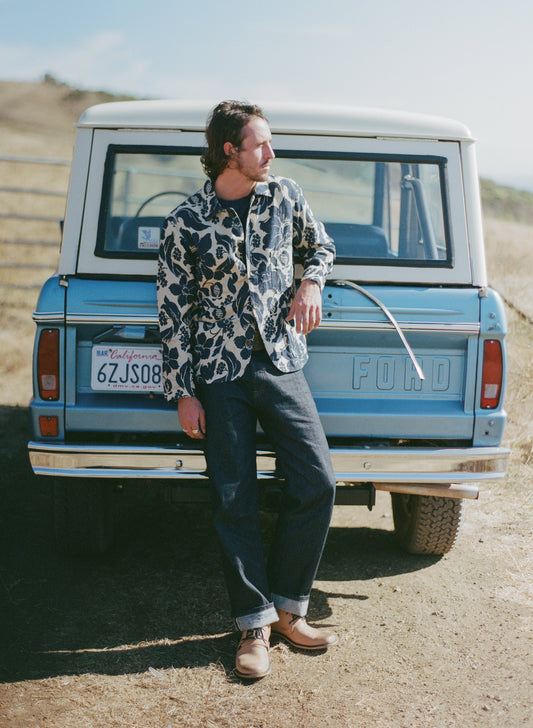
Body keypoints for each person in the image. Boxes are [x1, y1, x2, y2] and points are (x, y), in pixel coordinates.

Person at [157, 101, 337, 679]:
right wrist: (183, 390)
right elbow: (173, 311)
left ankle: (290, 609)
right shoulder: (186, 220)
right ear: (228, 149)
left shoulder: (286, 196)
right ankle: (253, 627)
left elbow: (321, 247)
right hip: (219, 372)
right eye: (260, 144)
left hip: (282, 359)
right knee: (233, 497)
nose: (272, 153)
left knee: (318, 480)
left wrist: (309, 282)